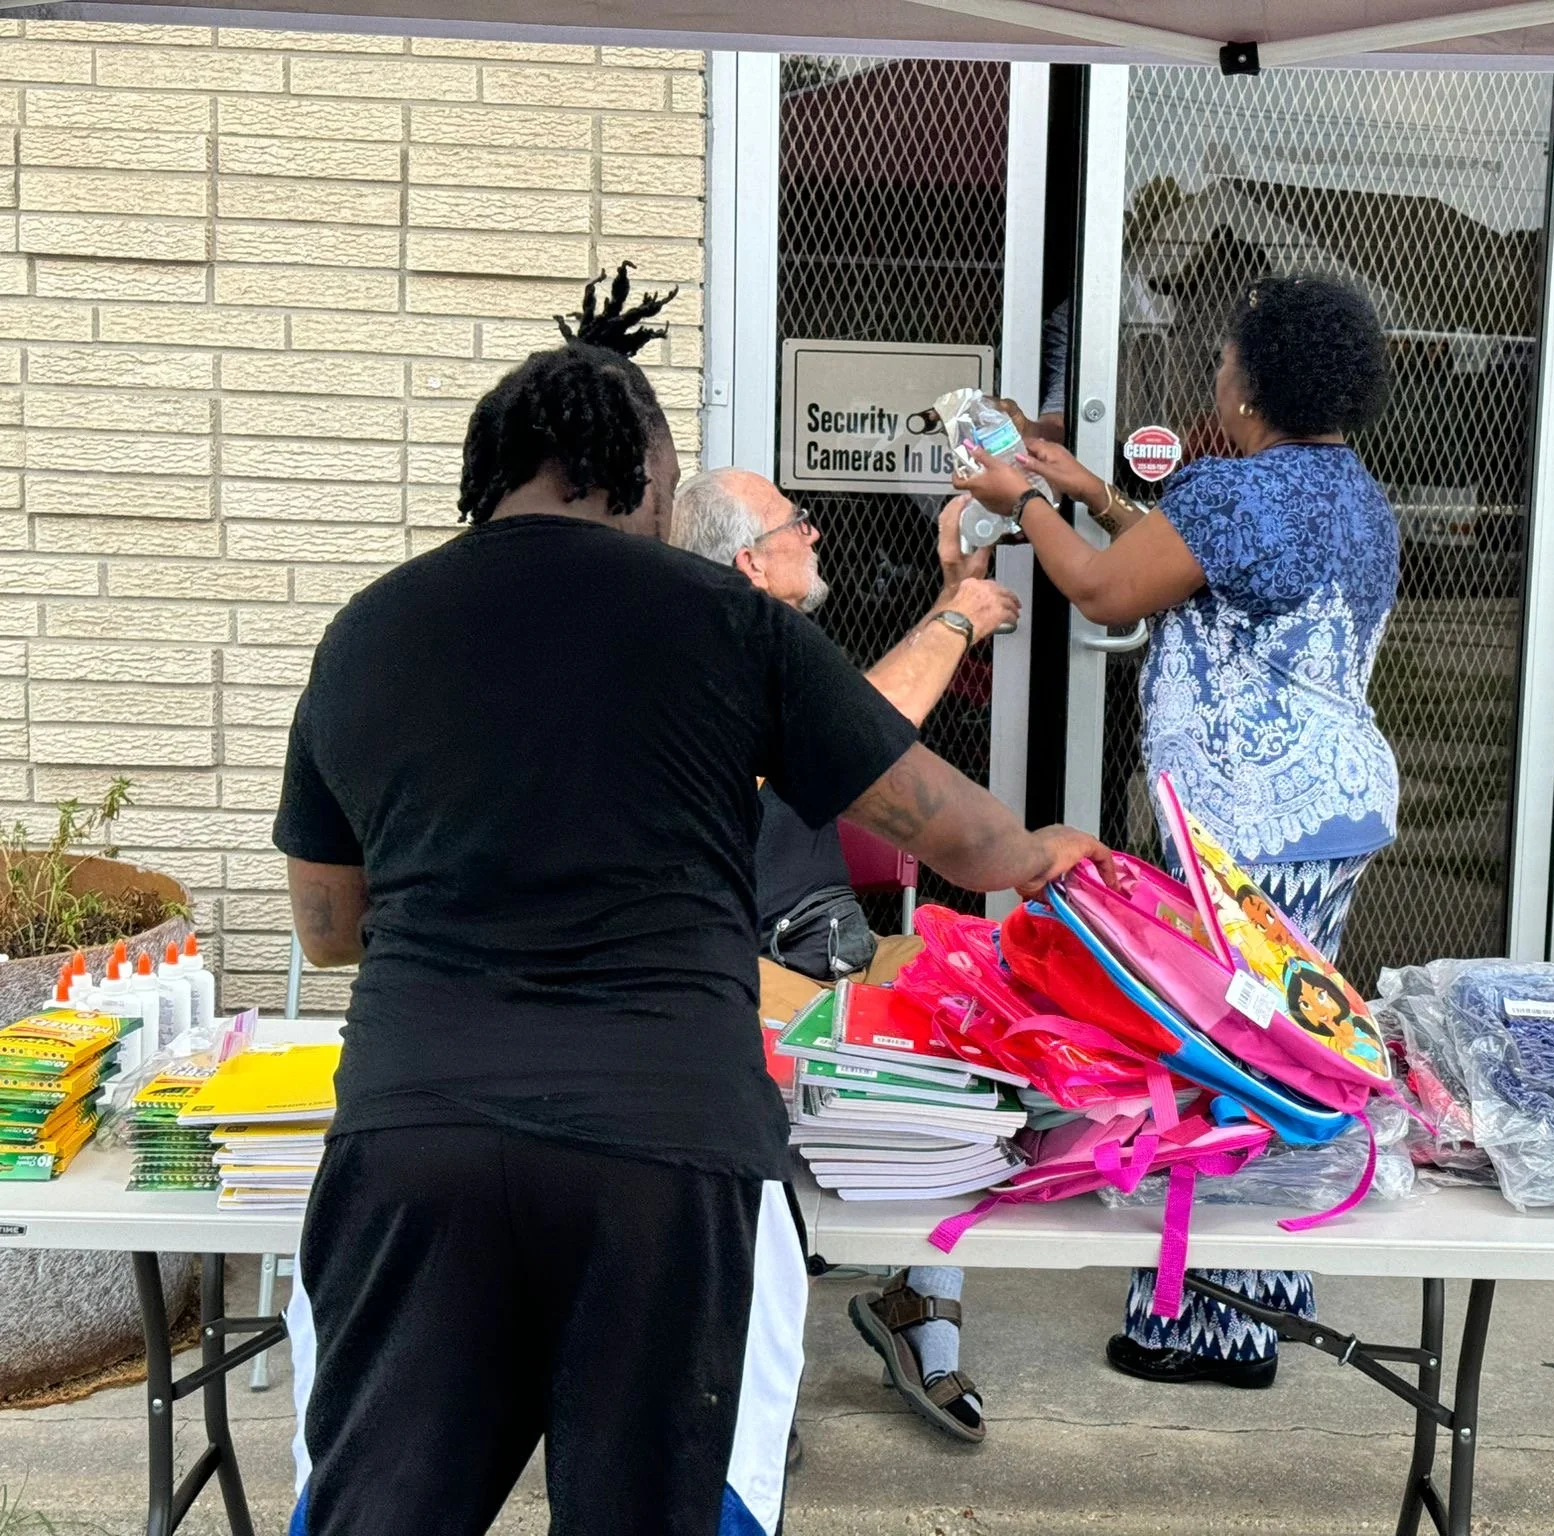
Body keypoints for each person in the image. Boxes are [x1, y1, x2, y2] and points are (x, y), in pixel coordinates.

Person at [275, 267, 1113, 1536]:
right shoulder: (724, 617)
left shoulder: (367, 631)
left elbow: (328, 931)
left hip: (418, 1130)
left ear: (488, 473)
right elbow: (948, 829)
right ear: (650, 479)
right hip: (660, 1146)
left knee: (384, 1508)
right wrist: (1040, 847)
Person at [951, 272, 1399, 1388]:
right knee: (1276, 1053)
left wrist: (1025, 502)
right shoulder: (1344, 493)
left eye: (1224, 359)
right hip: (1323, 812)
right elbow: (1184, 562)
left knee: (1229, 1059)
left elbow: (1106, 594)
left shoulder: (1235, 497)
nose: (1216, 374)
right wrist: (1093, 488)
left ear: (1248, 381)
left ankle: (1221, 1332)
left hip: (1251, 824)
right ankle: (1258, 1308)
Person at [670, 467, 1015, 1444]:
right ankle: (738, 1363)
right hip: (735, 969)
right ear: (748, 558)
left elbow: (858, 720)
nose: (817, 537)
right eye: (798, 524)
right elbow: (867, 727)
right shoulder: (703, 654)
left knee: (972, 1017)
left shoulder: (778, 643)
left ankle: (917, 1303)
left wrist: (957, 583)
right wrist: (957, 616)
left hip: (827, 953)